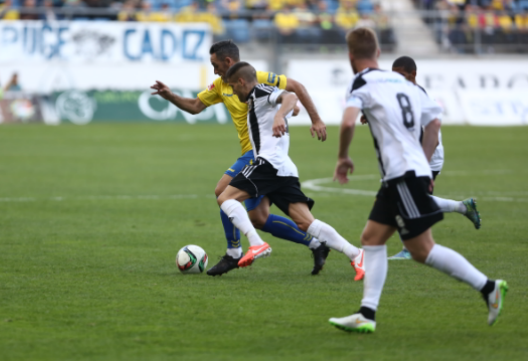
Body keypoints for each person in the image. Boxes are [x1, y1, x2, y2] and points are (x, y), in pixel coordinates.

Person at [328, 27, 507, 333]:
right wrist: (423, 165)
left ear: (350, 56)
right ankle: (366, 314)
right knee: (371, 238)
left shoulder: (362, 81)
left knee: (422, 250)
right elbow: (434, 123)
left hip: (402, 174)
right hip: (404, 174)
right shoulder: (401, 81)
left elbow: (347, 121)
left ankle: (488, 287)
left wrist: (343, 156)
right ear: (379, 53)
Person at [151, 41, 364, 279]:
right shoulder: (221, 85)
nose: (214, 71)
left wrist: (309, 117)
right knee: (259, 218)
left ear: (229, 63)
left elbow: (294, 90)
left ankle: (235, 251)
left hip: (261, 156)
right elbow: (195, 105)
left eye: (215, 65)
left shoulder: (257, 79)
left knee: (223, 193)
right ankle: (319, 245)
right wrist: (169, 95)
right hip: (268, 158)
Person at [216, 62, 364, 276]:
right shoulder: (258, 98)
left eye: (233, 86)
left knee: (225, 197)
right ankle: (356, 254)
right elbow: (286, 102)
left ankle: (256, 243)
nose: (232, 91)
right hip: (283, 168)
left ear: (241, 82)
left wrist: (280, 114)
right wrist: (283, 111)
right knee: (307, 223)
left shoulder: (259, 90)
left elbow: (291, 96)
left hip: (268, 164)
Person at [369, 56, 481, 260]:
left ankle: (409, 249)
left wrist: (418, 161)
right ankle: (462, 207)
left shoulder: (417, 94)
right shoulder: (402, 92)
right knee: (409, 198)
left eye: (401, 75)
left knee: (403, 197)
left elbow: (432, 135)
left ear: (413, 75)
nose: (397, 79)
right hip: (415, 155)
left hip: (427, 155)